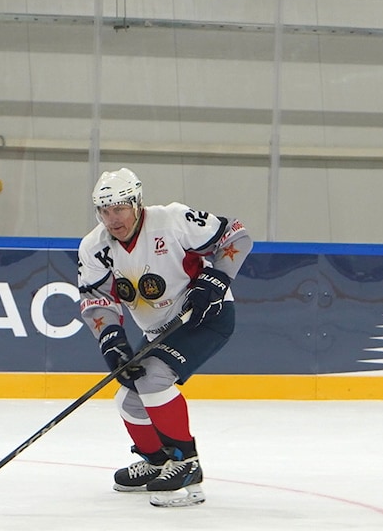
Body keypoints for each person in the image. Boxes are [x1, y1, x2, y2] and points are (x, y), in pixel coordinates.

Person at [75, 167, 251, 507]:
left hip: (204, 317)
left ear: (137, 203)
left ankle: (187, 464)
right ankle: (157, 462)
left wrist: (216, 279)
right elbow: (97, 300)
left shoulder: (172, 220)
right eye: (105, 211)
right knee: (129, 398)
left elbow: (236, 235)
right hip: (157, 330)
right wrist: (112, 341)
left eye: (119, 208)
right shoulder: (94, 247)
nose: (113, 218)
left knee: (153, 378)